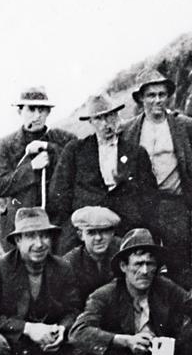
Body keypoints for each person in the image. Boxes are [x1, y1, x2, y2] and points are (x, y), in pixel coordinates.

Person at [0, 207, 87, 355]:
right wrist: (28, 328)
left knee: (87, 343)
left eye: (44, 236)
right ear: (17, 241)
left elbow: (74, 308)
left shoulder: (63, 268)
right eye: (30, 236)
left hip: (49, 347)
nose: (39, 244)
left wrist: (61, 329)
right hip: (13, 345)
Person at [123, 68, 192, 288]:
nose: (157, 100)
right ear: (141, 98)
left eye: (162, 94)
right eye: (151, 95)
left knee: (180, 268)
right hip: (142, 207)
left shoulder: (184, 125)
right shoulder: (129, 129)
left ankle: (181, 315)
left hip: (175, 205)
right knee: (144, 265)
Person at [48, 93, 156, 254]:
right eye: (99, 119)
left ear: (117, 116)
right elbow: (59, 192)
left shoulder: (136, 153)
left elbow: (149, 195)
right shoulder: (75, 150)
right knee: (65, 257)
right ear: (91, 121)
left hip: (123, 224)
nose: (106, 124)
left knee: (137, 254)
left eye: (110, 116)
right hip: (84, 226)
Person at [0, 87, 75, 251]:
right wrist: (31, 168)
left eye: (42, 110)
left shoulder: (64, 139)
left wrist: (48, 147)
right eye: (31, 109)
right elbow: (0, 186)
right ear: (20, 111)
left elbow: (77, 163)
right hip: (20, 226)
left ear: (48, 112)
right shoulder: (6, 145)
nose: (37, 115)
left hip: (58, 225)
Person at [62, 206, 121, 302]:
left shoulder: (123, 253)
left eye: (104, 231)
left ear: (112, 233)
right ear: (81, 235)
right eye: (91, 233)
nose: (98, 238)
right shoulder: (70, 262)